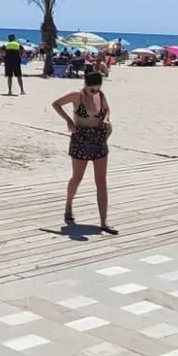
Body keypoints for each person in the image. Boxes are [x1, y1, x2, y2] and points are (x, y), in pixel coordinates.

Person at [51, 70, 116, 233]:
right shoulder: (77, 96)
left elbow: (107, 110)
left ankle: (103, 221)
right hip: (81, 137)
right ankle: (68, 205)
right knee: (77, 177)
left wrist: (107, 120)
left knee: (101, 180)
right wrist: (69, 121)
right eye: (92, 89)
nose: (95, 92)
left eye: (98, 88)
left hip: (99, 138)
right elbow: (56, 104)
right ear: (85, 85)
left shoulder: (100, 95)